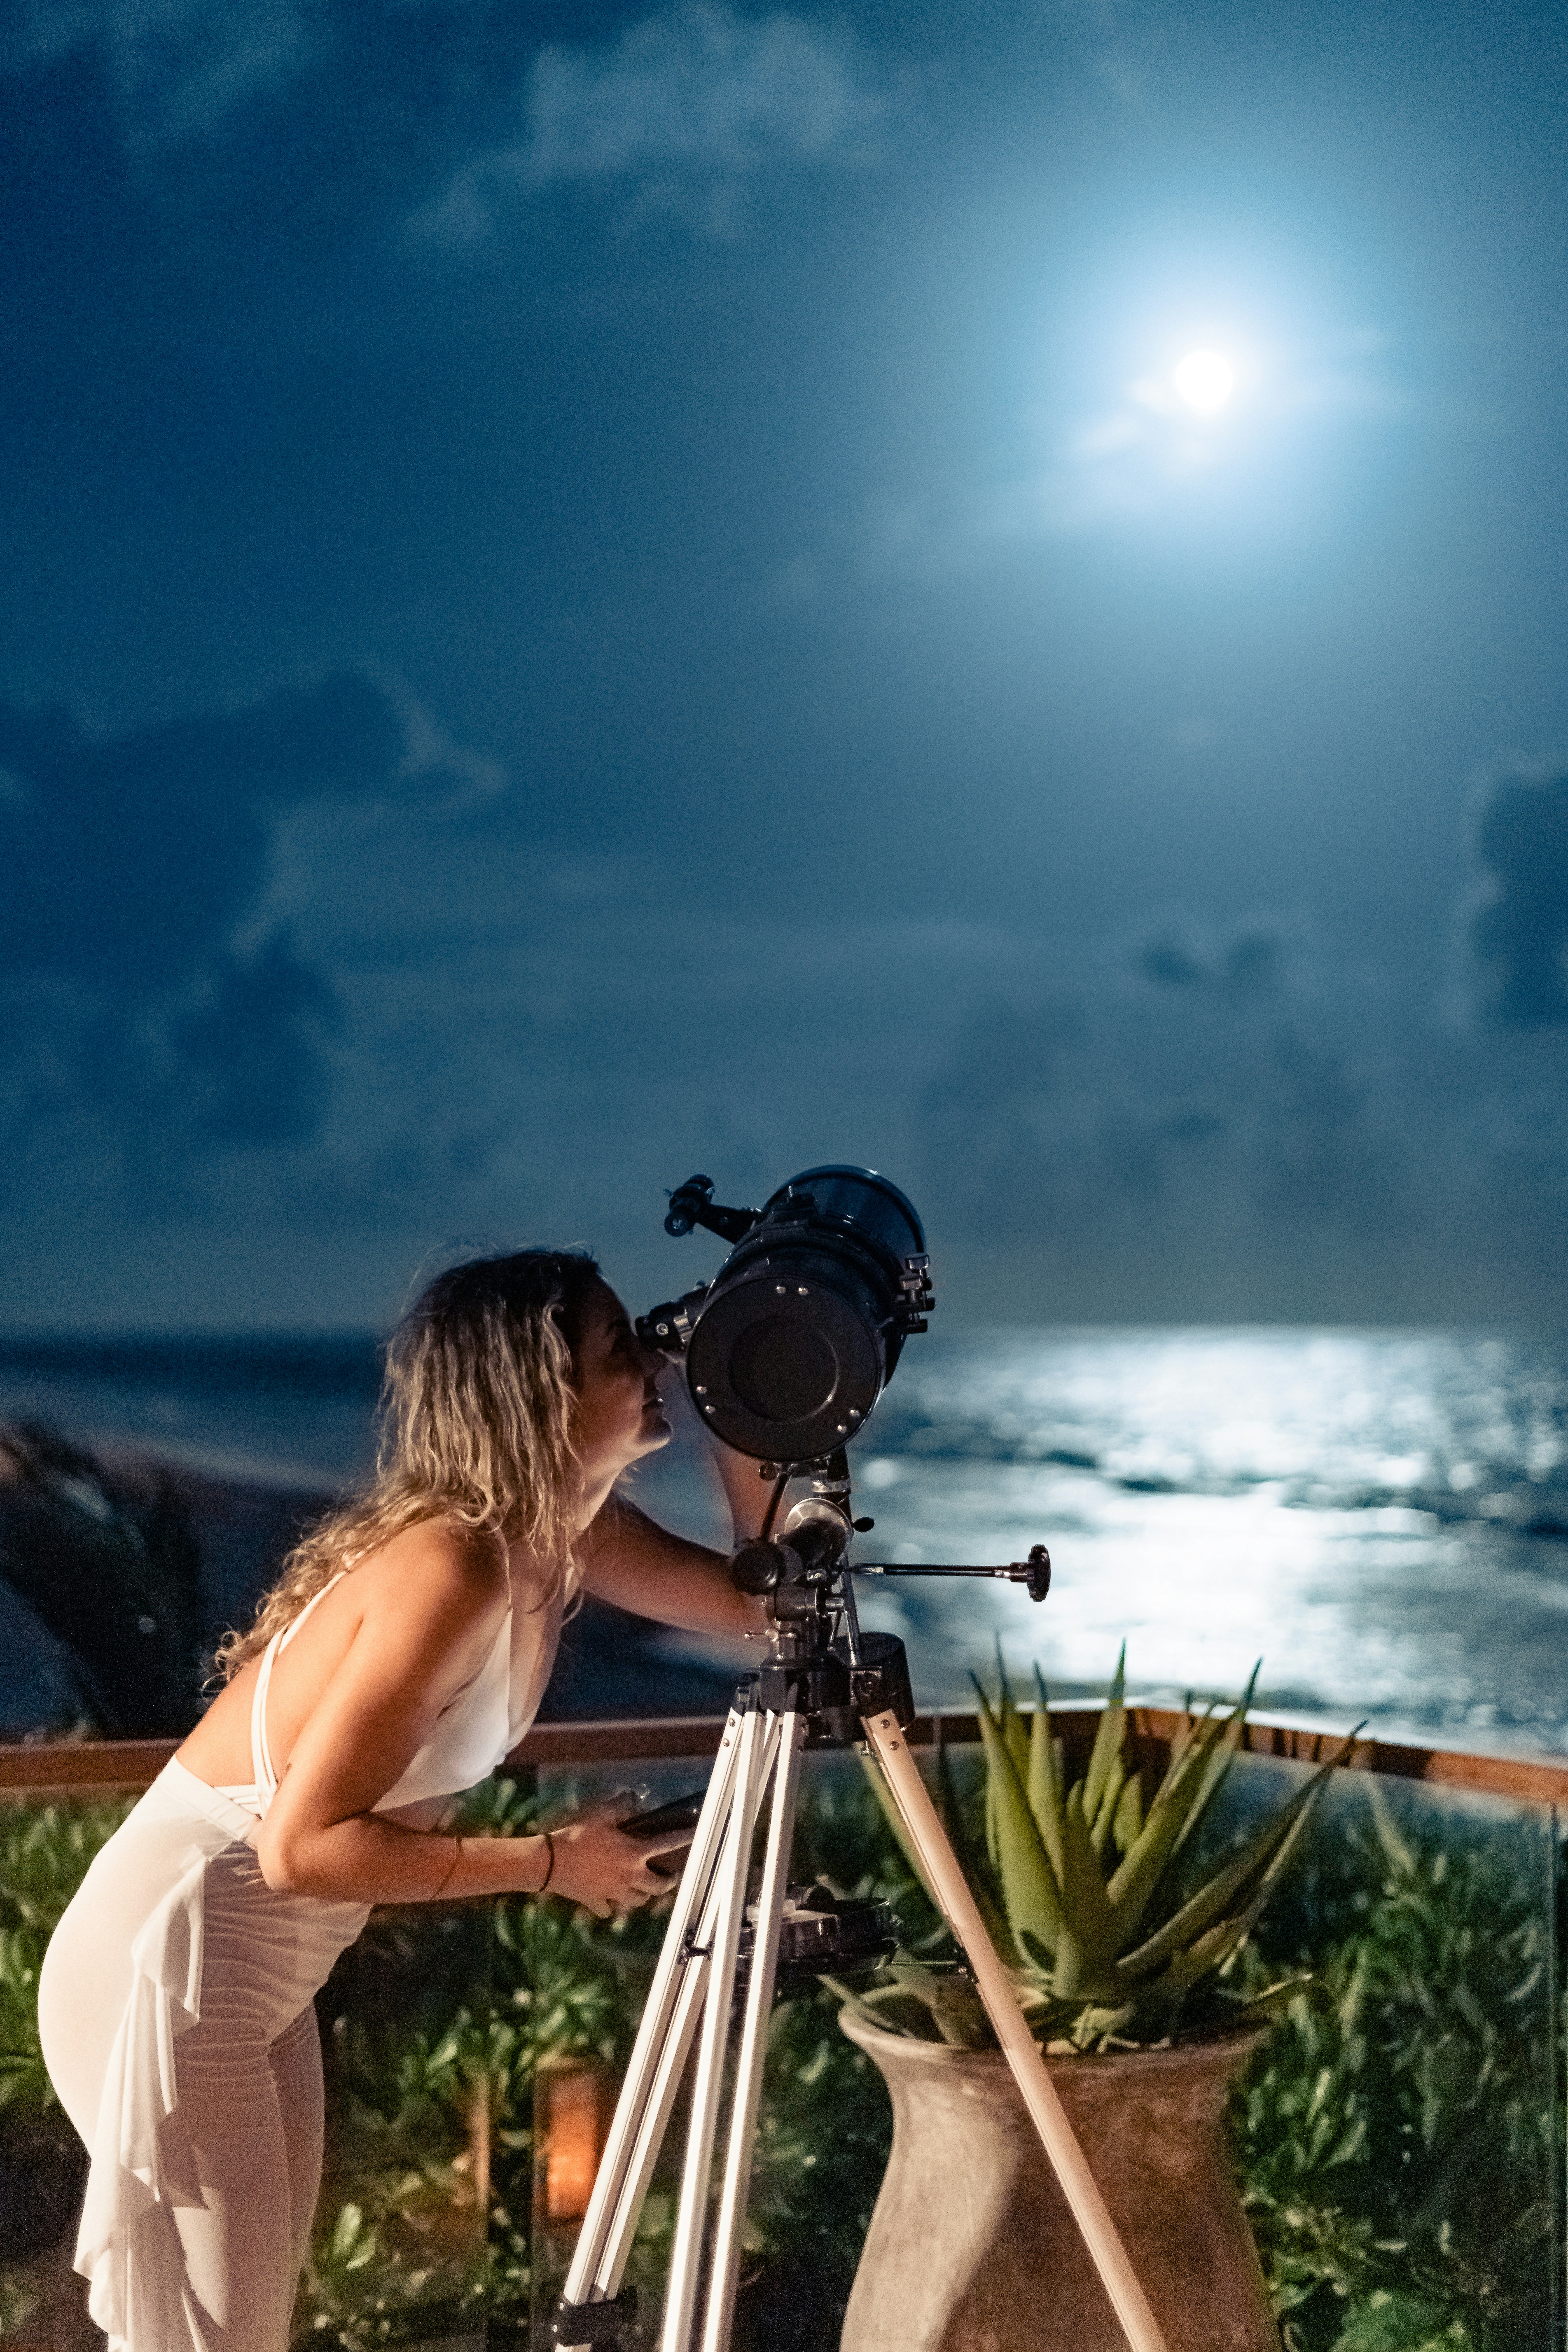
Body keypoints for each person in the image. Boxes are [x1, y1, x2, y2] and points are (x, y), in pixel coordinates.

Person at [37, 1248, 773, 2352]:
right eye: (624, 1348)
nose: (652, 1360)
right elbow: (303, 1849)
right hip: (166, 1960)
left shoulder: (564, 1532)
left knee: (243, 2330)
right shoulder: (453, 1565)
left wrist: (747, 1397)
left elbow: (760, 1608)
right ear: (542, 1392)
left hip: (259, 1978)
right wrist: (549, 1862)